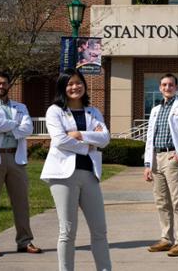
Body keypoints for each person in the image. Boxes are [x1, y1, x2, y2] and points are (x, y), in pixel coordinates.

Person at [41, 68, 111, 271]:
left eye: (78, 83)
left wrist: (78, 134)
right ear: (63, 87)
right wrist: (88, 143)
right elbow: (60, 140)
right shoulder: (55, 111)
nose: (74, 87)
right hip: (63, 176)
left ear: (84, 85)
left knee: (100, 230)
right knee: (68, 231)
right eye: (69, 84)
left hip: (90, 174)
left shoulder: (93, 111)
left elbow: (105, 138)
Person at [0, 70, 42, 257]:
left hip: (16, 158)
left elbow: (28, 127)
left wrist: (8, 127)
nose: (0, 86)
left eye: (4, 83)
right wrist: (15, 125)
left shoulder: (20, 106)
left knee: (21, 203)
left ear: (8, 86)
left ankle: (25, 241)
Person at [143, 73, 178, 257]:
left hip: (173, 157)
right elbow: (150, 137)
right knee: (161, 202)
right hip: (156, 158)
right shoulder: (155, 109)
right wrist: (147, 163)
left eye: (171, 85)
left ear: (176, 87)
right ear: (160, 88)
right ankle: (166, 239)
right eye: (164, 85)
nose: (167, 88)